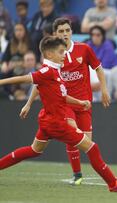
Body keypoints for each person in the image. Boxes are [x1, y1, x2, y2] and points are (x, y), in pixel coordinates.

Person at [0, 36, 117, 192]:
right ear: (49, 54)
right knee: (92, 148)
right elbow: (22, 78)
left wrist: (79, 102)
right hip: (57, 123)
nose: (65, 54)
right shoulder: (47, 71)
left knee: (34, 150)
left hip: (48, 120)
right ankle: (113, 184)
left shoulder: (56, 71)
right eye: (61, 52)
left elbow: (61, 96)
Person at [21, 18, 111, 185]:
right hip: (65, 105)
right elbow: (40, 81)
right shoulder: (54, 56)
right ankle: (77, 175)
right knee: (72, 132)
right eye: (60, 31)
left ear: (71, 32)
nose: (64, 34)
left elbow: (98, 68)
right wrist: (29, 103)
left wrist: (104, 90)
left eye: (67, 30)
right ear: (55, 34)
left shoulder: (83, 49)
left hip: (83, 103)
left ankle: (97, 176)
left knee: (87, 142)